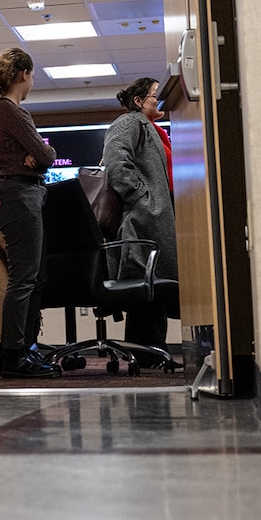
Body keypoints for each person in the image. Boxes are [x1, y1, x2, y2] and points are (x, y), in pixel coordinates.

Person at [0, 47, 60, 378]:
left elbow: (39, 157)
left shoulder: (5, 112)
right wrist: (42, 152)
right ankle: (14, 355)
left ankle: (24, 348)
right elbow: (45, 155)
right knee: (25, 278)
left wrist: (39, 155)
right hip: (19, 194)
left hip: (21, 193)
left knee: (34, 277)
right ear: (23, 74)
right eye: (32, 75)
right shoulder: (10, 111)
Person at [104, 77, 177, 354]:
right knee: (148, 287)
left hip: (156, 217)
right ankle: (147, 355)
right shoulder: (129, 123)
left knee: (154, 288)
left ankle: (150, 354)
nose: (158, 101)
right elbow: (115, 161)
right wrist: (140, 197)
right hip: (143, 218)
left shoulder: (152, 129)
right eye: (154, 95)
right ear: (138, 101)